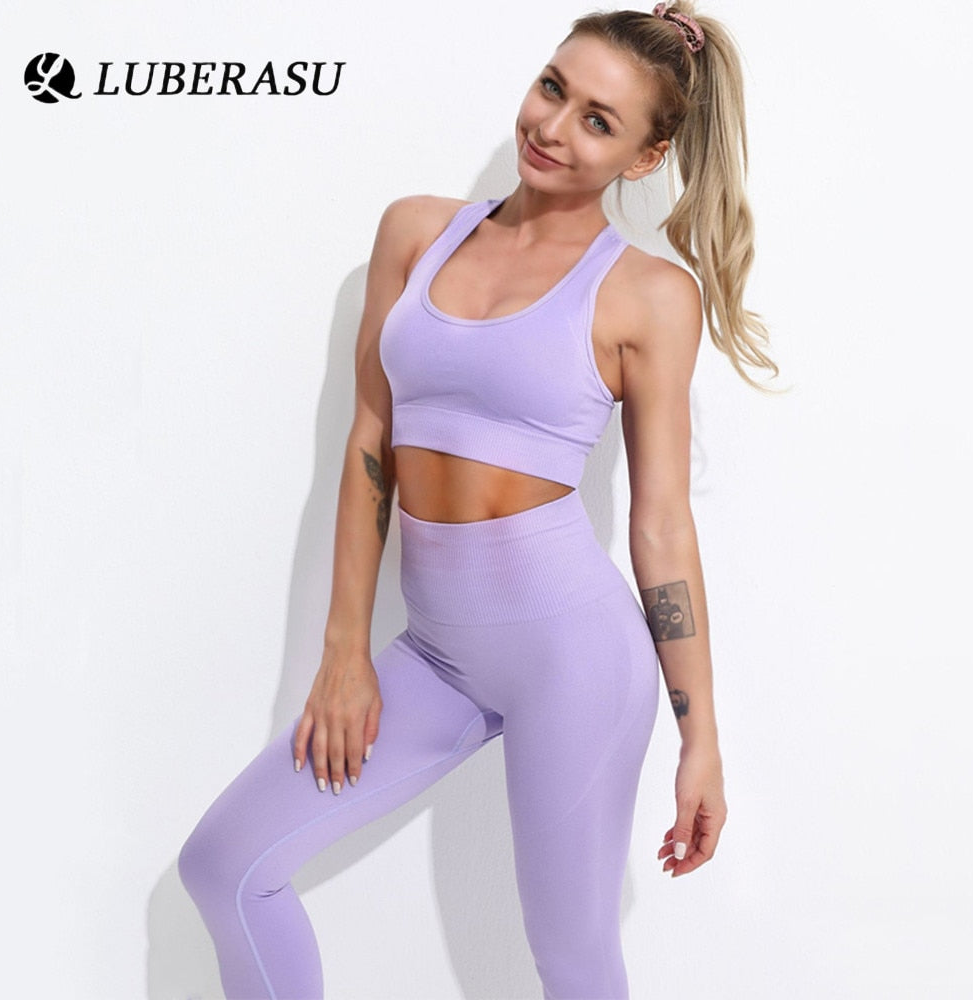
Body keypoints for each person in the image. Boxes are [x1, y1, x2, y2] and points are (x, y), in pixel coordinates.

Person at [178, 4, 776, 998]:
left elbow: (662, 525)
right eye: (553, 88)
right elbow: (370, 442)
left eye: (597, 120)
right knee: (227, 868)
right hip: (434, 654)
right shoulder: (415, 233)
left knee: (571, 956)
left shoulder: (648, 296)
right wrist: (343, 653)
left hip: (573, 659)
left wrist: (700, 735)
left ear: (644, 156)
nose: (551, 126)